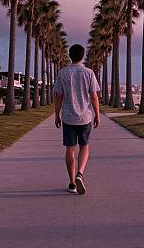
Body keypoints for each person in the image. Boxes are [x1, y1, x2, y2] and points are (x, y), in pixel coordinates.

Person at [54, 44, 100, 195]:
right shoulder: (89, 73)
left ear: (70, 55)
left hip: (68, 117)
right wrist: (97, 115)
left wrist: (57, 115)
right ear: (82, 56)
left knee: (70, 149)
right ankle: (80, 173)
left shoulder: (63, 73)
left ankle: (72, 183)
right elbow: (93, 96)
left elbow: (59, 96)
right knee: (84, 146)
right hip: (85, 117)